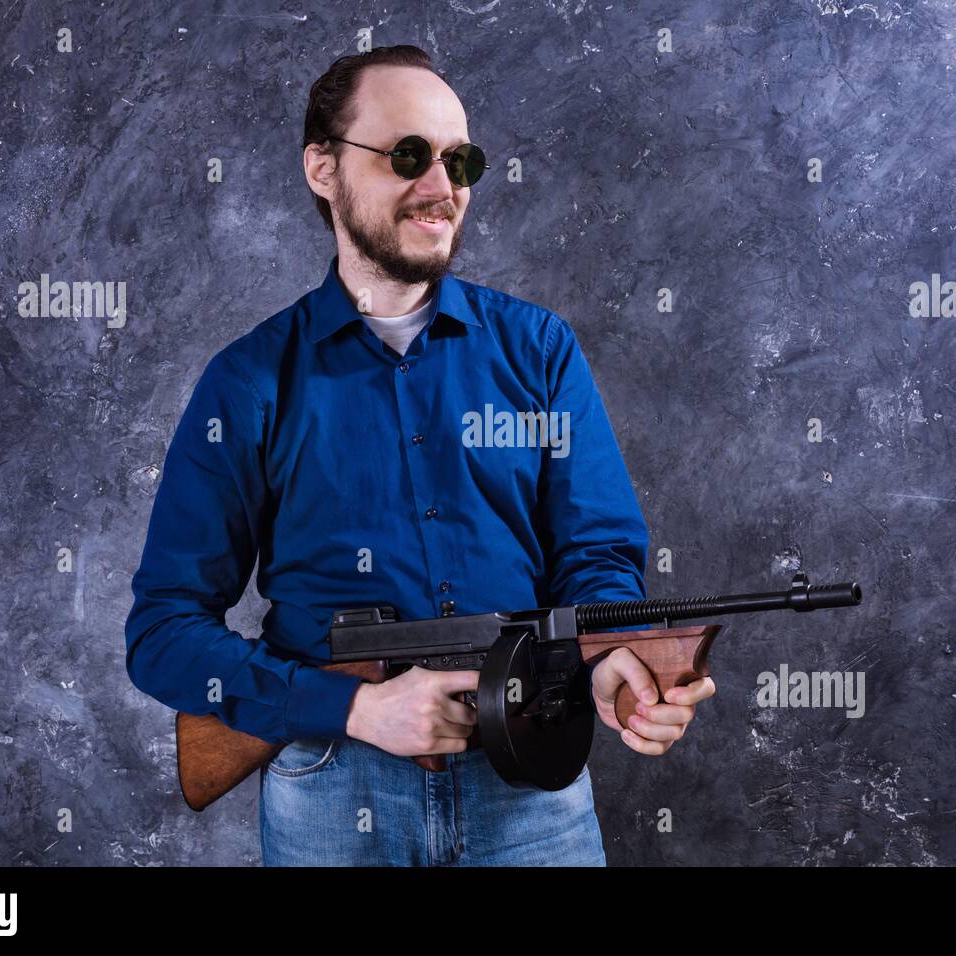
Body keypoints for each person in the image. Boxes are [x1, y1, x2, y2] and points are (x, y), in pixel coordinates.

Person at [124, 44, 716, 866]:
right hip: (333, 795)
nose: (441, 187)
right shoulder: (249, 382)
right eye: (407, 155)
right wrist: (352, 711)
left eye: (458, 160)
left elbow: (596, 558)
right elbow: (163, 632)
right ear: (323, 168)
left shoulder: (538, 351)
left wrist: (615, 659)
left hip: (532, 793)